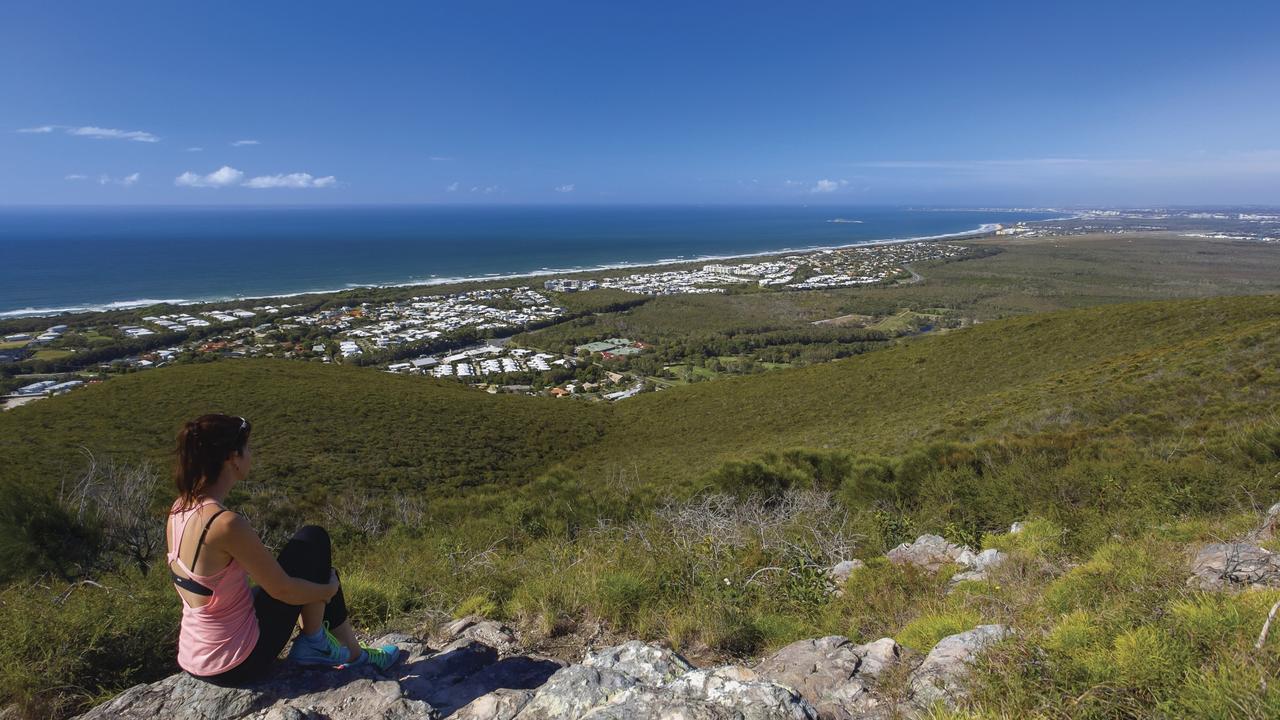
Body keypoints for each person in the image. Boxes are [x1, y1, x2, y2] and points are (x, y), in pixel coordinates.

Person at [165, 413, 398, 685]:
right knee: (314, 542)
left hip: (196, 655)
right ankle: (321, 646)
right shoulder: (224, 523)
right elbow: (283, 590)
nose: (251, 455)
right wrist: (327, 591)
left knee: (315, 563)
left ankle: (348, 651)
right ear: (232, 457)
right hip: (235, 662)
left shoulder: (181, 507)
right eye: (247, 448)